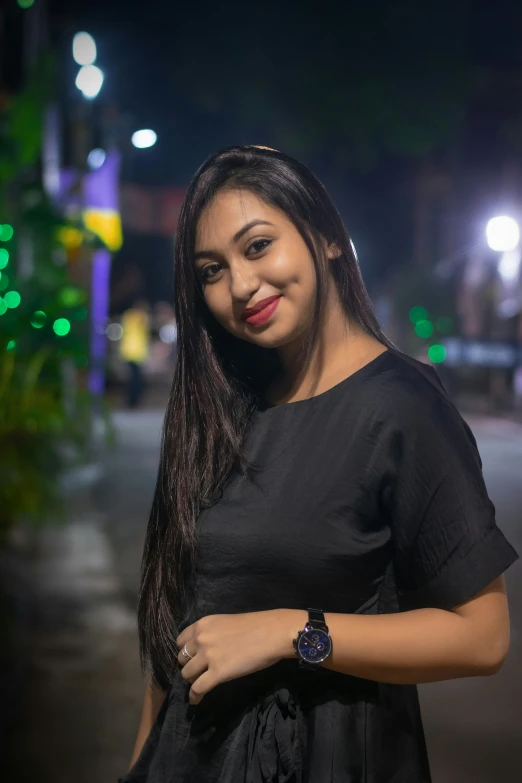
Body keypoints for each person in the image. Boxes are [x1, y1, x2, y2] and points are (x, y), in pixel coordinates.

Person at [120, 146, 519, 783]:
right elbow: (175, 639)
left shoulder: (400, 406)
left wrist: (292, 633)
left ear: (328, 237)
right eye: (211, 270)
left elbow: (482, 636)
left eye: (257, 247)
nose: (241, 286)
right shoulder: (220, 409)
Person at [119, 299, 151, 408]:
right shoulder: (137, 317)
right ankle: (132, 401)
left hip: (134, 353)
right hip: (134, 353)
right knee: (136, 380)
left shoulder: (128, 316)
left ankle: (132, 401)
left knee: (134, 379)